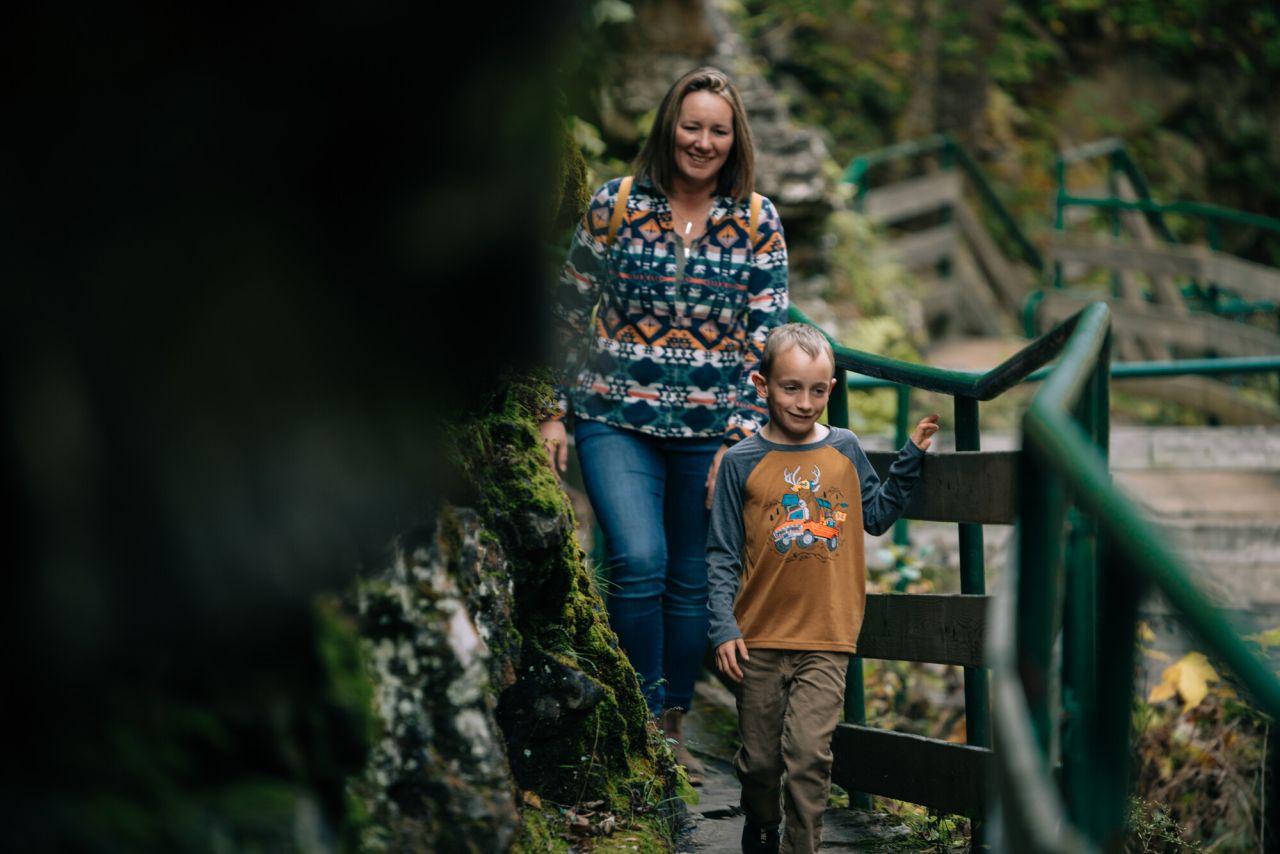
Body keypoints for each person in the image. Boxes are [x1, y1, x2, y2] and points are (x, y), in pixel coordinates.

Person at [539, 66, 789, 785]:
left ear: (734, 137)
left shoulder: (757, 221)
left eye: (717, 129)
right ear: (667, 128)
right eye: (691, 125)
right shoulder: (614, 205)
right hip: (614, 418)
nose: (702, 141)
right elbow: (564, 310)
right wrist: (554, 411)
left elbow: (766, 342)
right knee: (640, 561)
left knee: (689, 579)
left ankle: (672, 722)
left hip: (712, 432)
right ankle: (641, 718)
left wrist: (743, 437)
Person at [706, 323, 940, 854]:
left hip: (827, 636)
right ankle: (761, 823)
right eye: (791, 387)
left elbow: (876, 516)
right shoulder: (740, 461)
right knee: (760, 763)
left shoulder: (845, 449)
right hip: (757, 638)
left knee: (810, 758)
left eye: (818, 389)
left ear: (831, 389)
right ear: (762, 385)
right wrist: (722, 626)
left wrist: (909, 457)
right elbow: (720, 553)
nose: (805, 402)